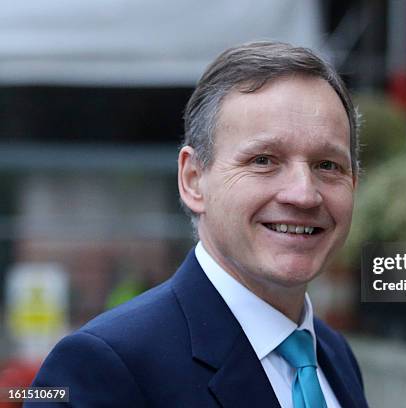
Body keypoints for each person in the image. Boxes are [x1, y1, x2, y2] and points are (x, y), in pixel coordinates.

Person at [28, 41, 368, 408]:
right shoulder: (103, 367)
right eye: (264, 160)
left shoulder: (334, 356)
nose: (304, 195)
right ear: (193, 180)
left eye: (327, 165)